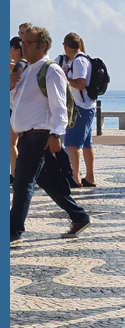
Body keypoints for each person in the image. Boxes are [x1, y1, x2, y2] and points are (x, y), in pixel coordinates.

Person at [10, 26, 90, 245]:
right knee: (50, 183)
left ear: (42, 45)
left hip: (40, 135)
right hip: (28, 135)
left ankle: (13, 231)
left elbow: (59, 107)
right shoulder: (26, 69)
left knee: (22, 182)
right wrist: (9, 86)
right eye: (22, 43)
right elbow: (17, 104)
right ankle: (79, 216)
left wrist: (56, 134)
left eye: (28, 43)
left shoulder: (50, 70)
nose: (23, 47)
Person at [57, 32, 97, 188]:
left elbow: (81, 84)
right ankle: (90, 177)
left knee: (72, 144)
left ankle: (75, 177)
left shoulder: (79, 62)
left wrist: (64, 77)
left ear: (66, 46)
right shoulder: (82, 60)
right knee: (87, 144)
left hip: (80, 107)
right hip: (87, 106)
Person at [10, 35, 27, 183]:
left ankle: (15, 174)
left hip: (17, 110)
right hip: (26, 110)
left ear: (16, 50)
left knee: (10, 143)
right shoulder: (28, 64)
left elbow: (13, 92)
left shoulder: (18, 66)